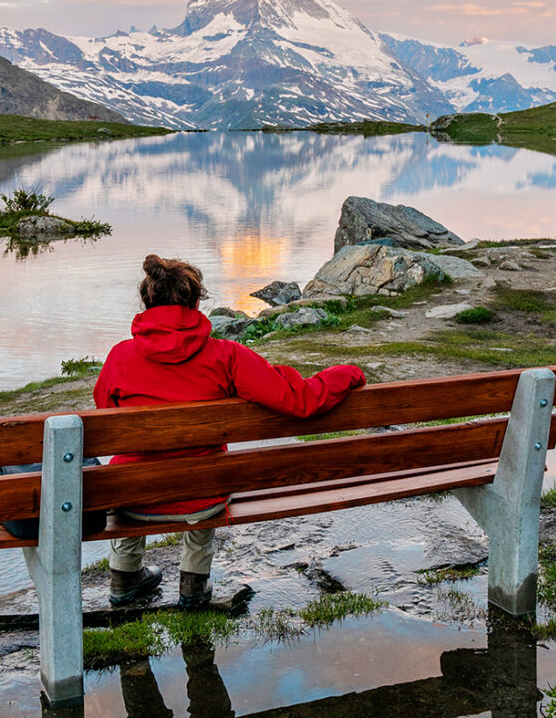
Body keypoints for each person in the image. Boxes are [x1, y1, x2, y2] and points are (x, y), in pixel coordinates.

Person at [93, 254, 366, 609]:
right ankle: (193, 589)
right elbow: (299, 401)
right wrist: (347, 373)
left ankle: (124, 581)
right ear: (194, 301)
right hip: (202, 496)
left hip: (134, 496)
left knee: (128, 467)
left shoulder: (120, 357)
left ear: (148, 301)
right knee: (202, 476)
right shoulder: (226, 356)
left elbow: (104, 414)